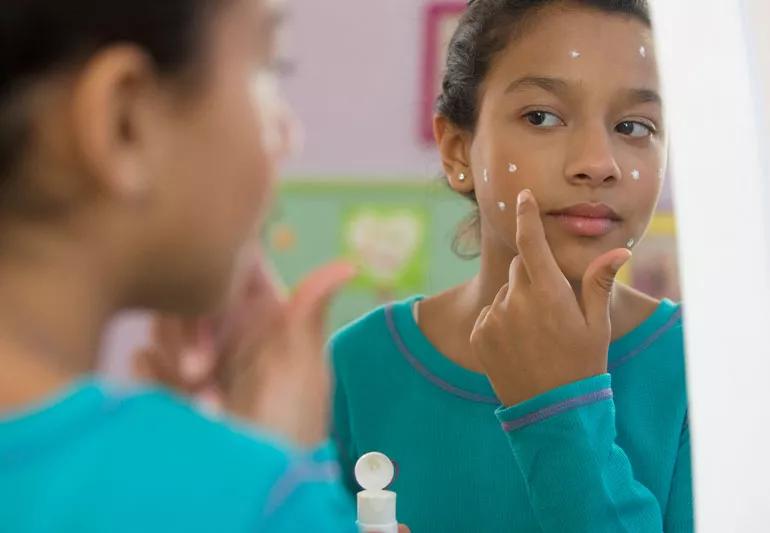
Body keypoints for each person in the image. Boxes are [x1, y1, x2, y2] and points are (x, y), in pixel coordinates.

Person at [331, 1, 692, 531]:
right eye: (542, 116)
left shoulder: (711, 377)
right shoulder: (354, 368)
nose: (598, 163)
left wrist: (562, 412)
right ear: (457, 151)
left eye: (635, 126)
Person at [0, 0, 361, 530]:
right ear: (126, 122)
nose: (290, 134)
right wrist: (272, 478)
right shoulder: (262, 500)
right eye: (267, 70)